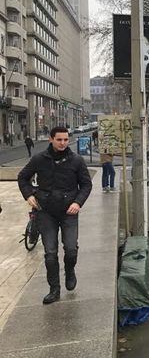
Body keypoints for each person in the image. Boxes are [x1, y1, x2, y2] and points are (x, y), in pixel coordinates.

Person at [17, 126, 93, 304]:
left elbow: (86, 185)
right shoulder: (39, 159)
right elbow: (22, 177)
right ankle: (54, 289)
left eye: (66, 139)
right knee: (50, 253)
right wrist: (28, 195)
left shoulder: (77, 161)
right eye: (59, 139)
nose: (63, 143)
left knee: (71, 249)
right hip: (46, 212)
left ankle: (70, 271)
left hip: (69, 211)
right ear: (51, 139)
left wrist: (77, 202)